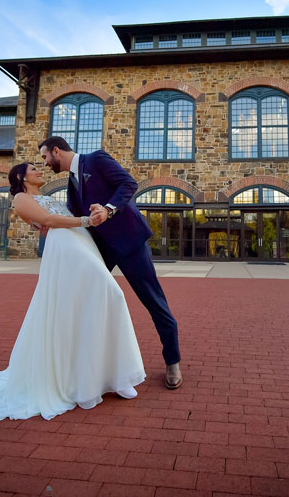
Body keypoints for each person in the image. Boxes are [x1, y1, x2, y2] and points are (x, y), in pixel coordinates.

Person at [0, 162, 145, 428]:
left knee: (89, 304)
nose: (39, 170)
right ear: (21, 176)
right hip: (66, 247)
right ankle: (89, 380)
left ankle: (114, 376)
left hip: (82, 242)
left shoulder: (46, 197)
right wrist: (87, 221)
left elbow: (50, 218)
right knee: (111, 294)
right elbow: (47, 221)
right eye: (34, 168)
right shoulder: (20, 198)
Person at [39, 136, 183, 390]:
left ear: (57, 151)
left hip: (130, 245)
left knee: (154, 301)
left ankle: (172, 361)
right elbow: (76, 217)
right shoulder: (71, 183)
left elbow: (129, 183)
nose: (45, 163)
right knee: (85, 299)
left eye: (45, 157)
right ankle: (93, 364)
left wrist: (108, 209)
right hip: (100, 250)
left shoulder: (97, 159)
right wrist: (49, 225)